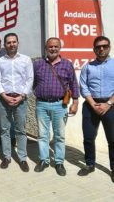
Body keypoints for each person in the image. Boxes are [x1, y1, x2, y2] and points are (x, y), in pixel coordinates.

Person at [33, 37, 79, 176]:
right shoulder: (38, 64)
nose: (53, 49)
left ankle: (59, 162)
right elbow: (32, 81)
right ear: (46, 48)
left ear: (59, 48)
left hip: (60, 105)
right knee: (42, 135)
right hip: (41, 104)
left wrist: (75, 102)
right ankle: (44, 160)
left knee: (59, 136)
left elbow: (73, 84)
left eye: (56, 46)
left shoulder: (67, 64)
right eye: (50, 46)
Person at [0, 32, 33, 172]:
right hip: (4, 99)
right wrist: (4, 96)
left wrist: (22, 96)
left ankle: (22, 158)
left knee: (21, 130)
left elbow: (30, 79)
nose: (11, 44)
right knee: (4, 130)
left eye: (14, 42)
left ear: (18, 43)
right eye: (9, 42)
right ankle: (7, 156)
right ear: (5, 45)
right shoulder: (0, 61)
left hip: (20, 99)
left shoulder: (26, 60)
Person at [79, 36, 114, 183]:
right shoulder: (88, 67)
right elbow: (83, 86)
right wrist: (93, 104)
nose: (101, 49)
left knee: (112, 140)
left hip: (111, 105)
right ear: (94, 49)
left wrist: (108, 103)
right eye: (98, 47)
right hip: (90, 105)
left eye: (104, 46)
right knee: (88, 137)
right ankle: (90, 164)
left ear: (109, 47)